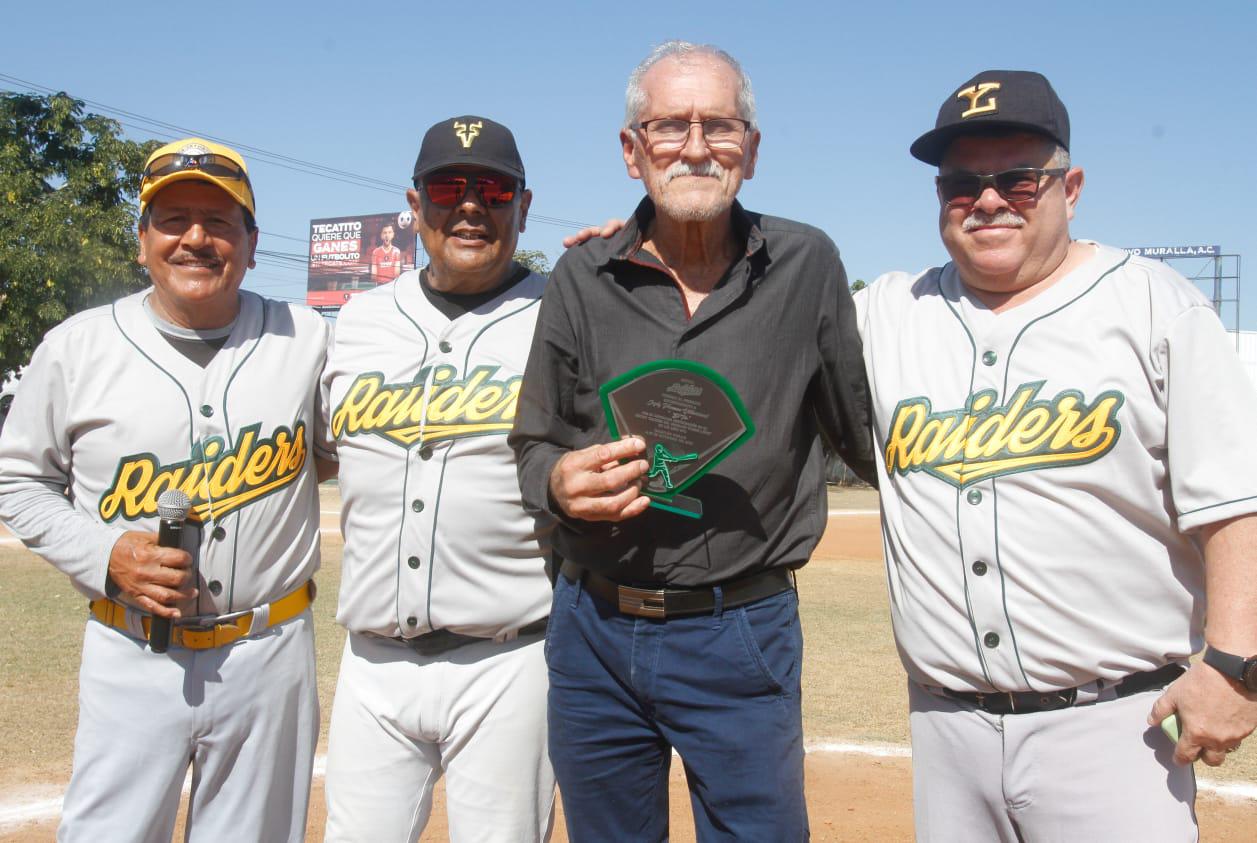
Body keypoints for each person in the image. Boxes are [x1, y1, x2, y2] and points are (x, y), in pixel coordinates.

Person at [855, 70, 1257, 841]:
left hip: (1117, 725)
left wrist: (1237, 665)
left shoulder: (1152, 303)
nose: (989, 199)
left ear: (1068, 187)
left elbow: (1235, 502)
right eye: (961, 183)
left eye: (1017, 179)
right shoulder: (885, 314)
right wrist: (649, 241)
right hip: (944, 726)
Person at [509, 42, 876, 841]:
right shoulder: (583, 274)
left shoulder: (807, 263)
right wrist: (557, 483)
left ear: (751, 147)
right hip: (593, 631)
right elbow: (532, 441)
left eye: (720, 125)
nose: (697, 146)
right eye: (670, 125)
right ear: (632, 149)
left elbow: (864, 434)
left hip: (740, 630)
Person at [0, 138, 332, 841]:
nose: (195, 238)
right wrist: (103, 555)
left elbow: (346, 449)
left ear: (250, 242)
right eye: (173, 218)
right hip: (131, 650)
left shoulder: (306, 337)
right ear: (142, 238)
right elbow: (18, 478)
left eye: (218, 221)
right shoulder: (76, 346)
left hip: (268, 653)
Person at [322, 115, 556, 842]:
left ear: (522, 203)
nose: (469, 205)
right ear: (413, 203)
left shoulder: (567, 313)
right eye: (448, 185)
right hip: (371, 661)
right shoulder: (355, 322)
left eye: (493, 188)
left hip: (510, 660)